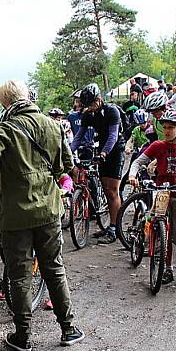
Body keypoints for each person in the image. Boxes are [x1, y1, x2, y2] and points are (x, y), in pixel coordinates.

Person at [0, 79, 83, 351]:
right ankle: (68, 328)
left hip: (16, 214)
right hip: (49, 210)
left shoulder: (6, 128)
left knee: (19, 275)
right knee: (54, 268)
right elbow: (67, 166)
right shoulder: (52, 125)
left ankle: (23, 336)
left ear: (6, 103)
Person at [129, 111, 176, 290]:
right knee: (162, 232)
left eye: (171, 128)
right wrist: (133, 175)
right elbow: (138, 162)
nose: (167, 131)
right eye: (164, 128)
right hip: (162, 193)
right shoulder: (157, 145)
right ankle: (167, 269)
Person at [71, 83, 126, 243]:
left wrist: (104, 153)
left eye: (92, 104)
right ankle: (108, 225)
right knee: (105, 188)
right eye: (87, 106)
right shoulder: (88, 115)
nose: (91, 108)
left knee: (112, 191)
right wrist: (67, 151)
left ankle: (115, 227)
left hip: (115, 149)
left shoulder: (112, 111)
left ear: (99, 99)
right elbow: (78, 137)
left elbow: (113, 136)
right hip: (102, 146)